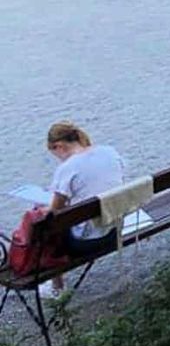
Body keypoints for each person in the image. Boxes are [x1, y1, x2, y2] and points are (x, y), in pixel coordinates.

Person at [41, 122, 125, 295]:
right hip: (114, 232)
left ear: (59, 146)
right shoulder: (109, 152)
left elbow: (54, 211)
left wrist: (44, 209)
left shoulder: (67, 168)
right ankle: (57, 286)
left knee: (45, 225)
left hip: (87, 242)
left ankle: (58, 288)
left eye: (54, 152)